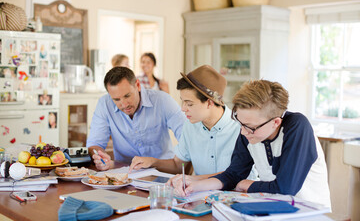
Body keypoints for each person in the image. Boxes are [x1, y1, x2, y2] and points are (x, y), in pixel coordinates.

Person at [172, 80, 331, 208]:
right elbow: (233, 174)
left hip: (309, 212)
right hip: (275, 208)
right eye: (241, 123)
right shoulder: (248, 131)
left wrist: (247, 184)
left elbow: (285, 188)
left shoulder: (297, 126)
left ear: (275, 122)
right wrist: (195, 186)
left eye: (250, 127)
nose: (243, 132)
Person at [129, 65, 240, 178]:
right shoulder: (190, 125)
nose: (183, 108)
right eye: (183, 102)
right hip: (200, 194)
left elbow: (239, 175)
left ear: (209, 103)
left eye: (189, 104)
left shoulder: (241, 128)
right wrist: (152, 162)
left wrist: (195, 180)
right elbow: (177, 165)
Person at [86, 67, 186, 171]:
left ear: (137, 85)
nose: (124, 104)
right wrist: (98, 156)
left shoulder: (163, 101)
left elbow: (187, 138)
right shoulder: (104, 104)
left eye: (127, 96)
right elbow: (94, 144)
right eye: (116, 99)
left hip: (162, 174)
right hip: (125, 175)